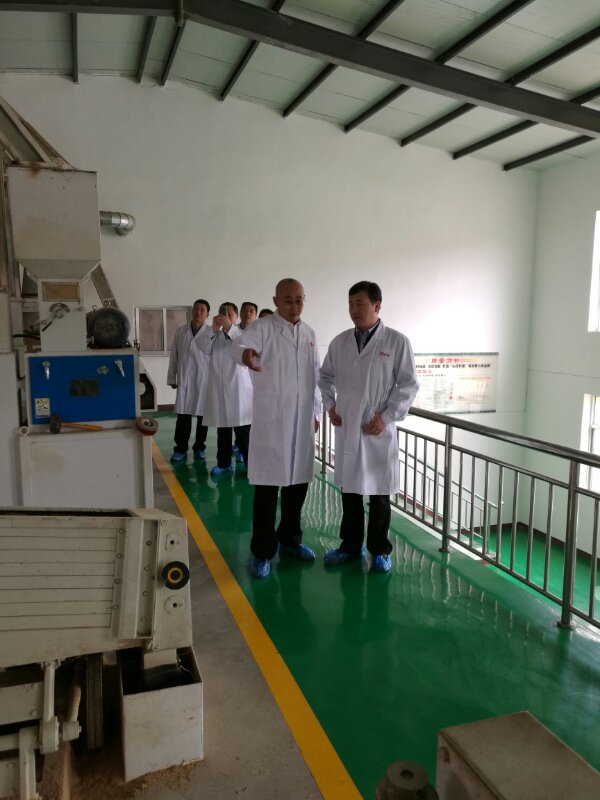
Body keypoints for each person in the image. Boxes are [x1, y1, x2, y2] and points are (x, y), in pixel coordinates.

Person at [318, 281, 419, 573]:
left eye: (360, 304)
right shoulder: (340, 342)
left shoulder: (396, 342)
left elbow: (409, 385)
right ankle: (350, 546)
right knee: (350, 492)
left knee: (379, 494)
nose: (354, 310)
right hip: (348, 426)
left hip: (378, 430)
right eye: (350, 304)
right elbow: (324, 377)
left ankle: (379, 550)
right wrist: (330, 405)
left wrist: (386, 417)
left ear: (377, 305)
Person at [230, 278, 321, 578]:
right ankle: (262, 551)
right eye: (288, 300)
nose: (294, 306)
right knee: (267, 491)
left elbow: (314, 378)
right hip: (273, 423)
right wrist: (246, 355)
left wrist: (316, 412)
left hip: (302, 422)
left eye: (299, 299)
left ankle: (291, 540)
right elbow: (240, 346)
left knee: (297, 488)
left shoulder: (309, 333)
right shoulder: (262, 328)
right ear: (276, 301)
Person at [197, 302, 253, 477]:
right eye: (223, 313)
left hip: (238, 391)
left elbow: (245, 347)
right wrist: (213, 328)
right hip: (220, 391)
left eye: (230, 314)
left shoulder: (243, 334)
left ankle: (253, 466)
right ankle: (224, 463)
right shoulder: (215, 336)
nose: (226, 316)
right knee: (223, 431)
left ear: (236, 316)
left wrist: (230, 328)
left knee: (243, 432)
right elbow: (202, 346)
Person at [167, 298, 211, 463]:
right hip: (185, 379)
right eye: (196, 309)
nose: (198, 312)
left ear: (207, 314)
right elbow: (174, 355)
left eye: (202, 310)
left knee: (203, 418)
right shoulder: (181, 331)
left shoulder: (211, 333)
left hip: (204, 381)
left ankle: (199, 447)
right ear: (192, 311)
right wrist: (172, 377)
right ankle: (180, 449)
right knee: (183, 417)